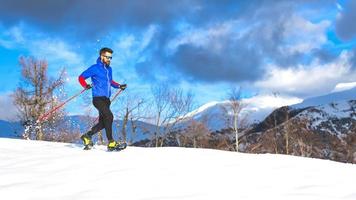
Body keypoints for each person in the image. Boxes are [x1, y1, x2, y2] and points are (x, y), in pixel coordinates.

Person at [78, 47, 127, 150]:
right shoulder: (95, 68)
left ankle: (87, 136)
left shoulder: (109, 69)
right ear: (101, 56)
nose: (109, 59)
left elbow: (111, 82)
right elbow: (81, 77)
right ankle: (111, 142)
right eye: (107, 57)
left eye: (110, 57)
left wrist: (119, 86)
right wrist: (85, 85)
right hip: (98, 98)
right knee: (109, 116)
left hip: (106, 99)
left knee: (103, 123)